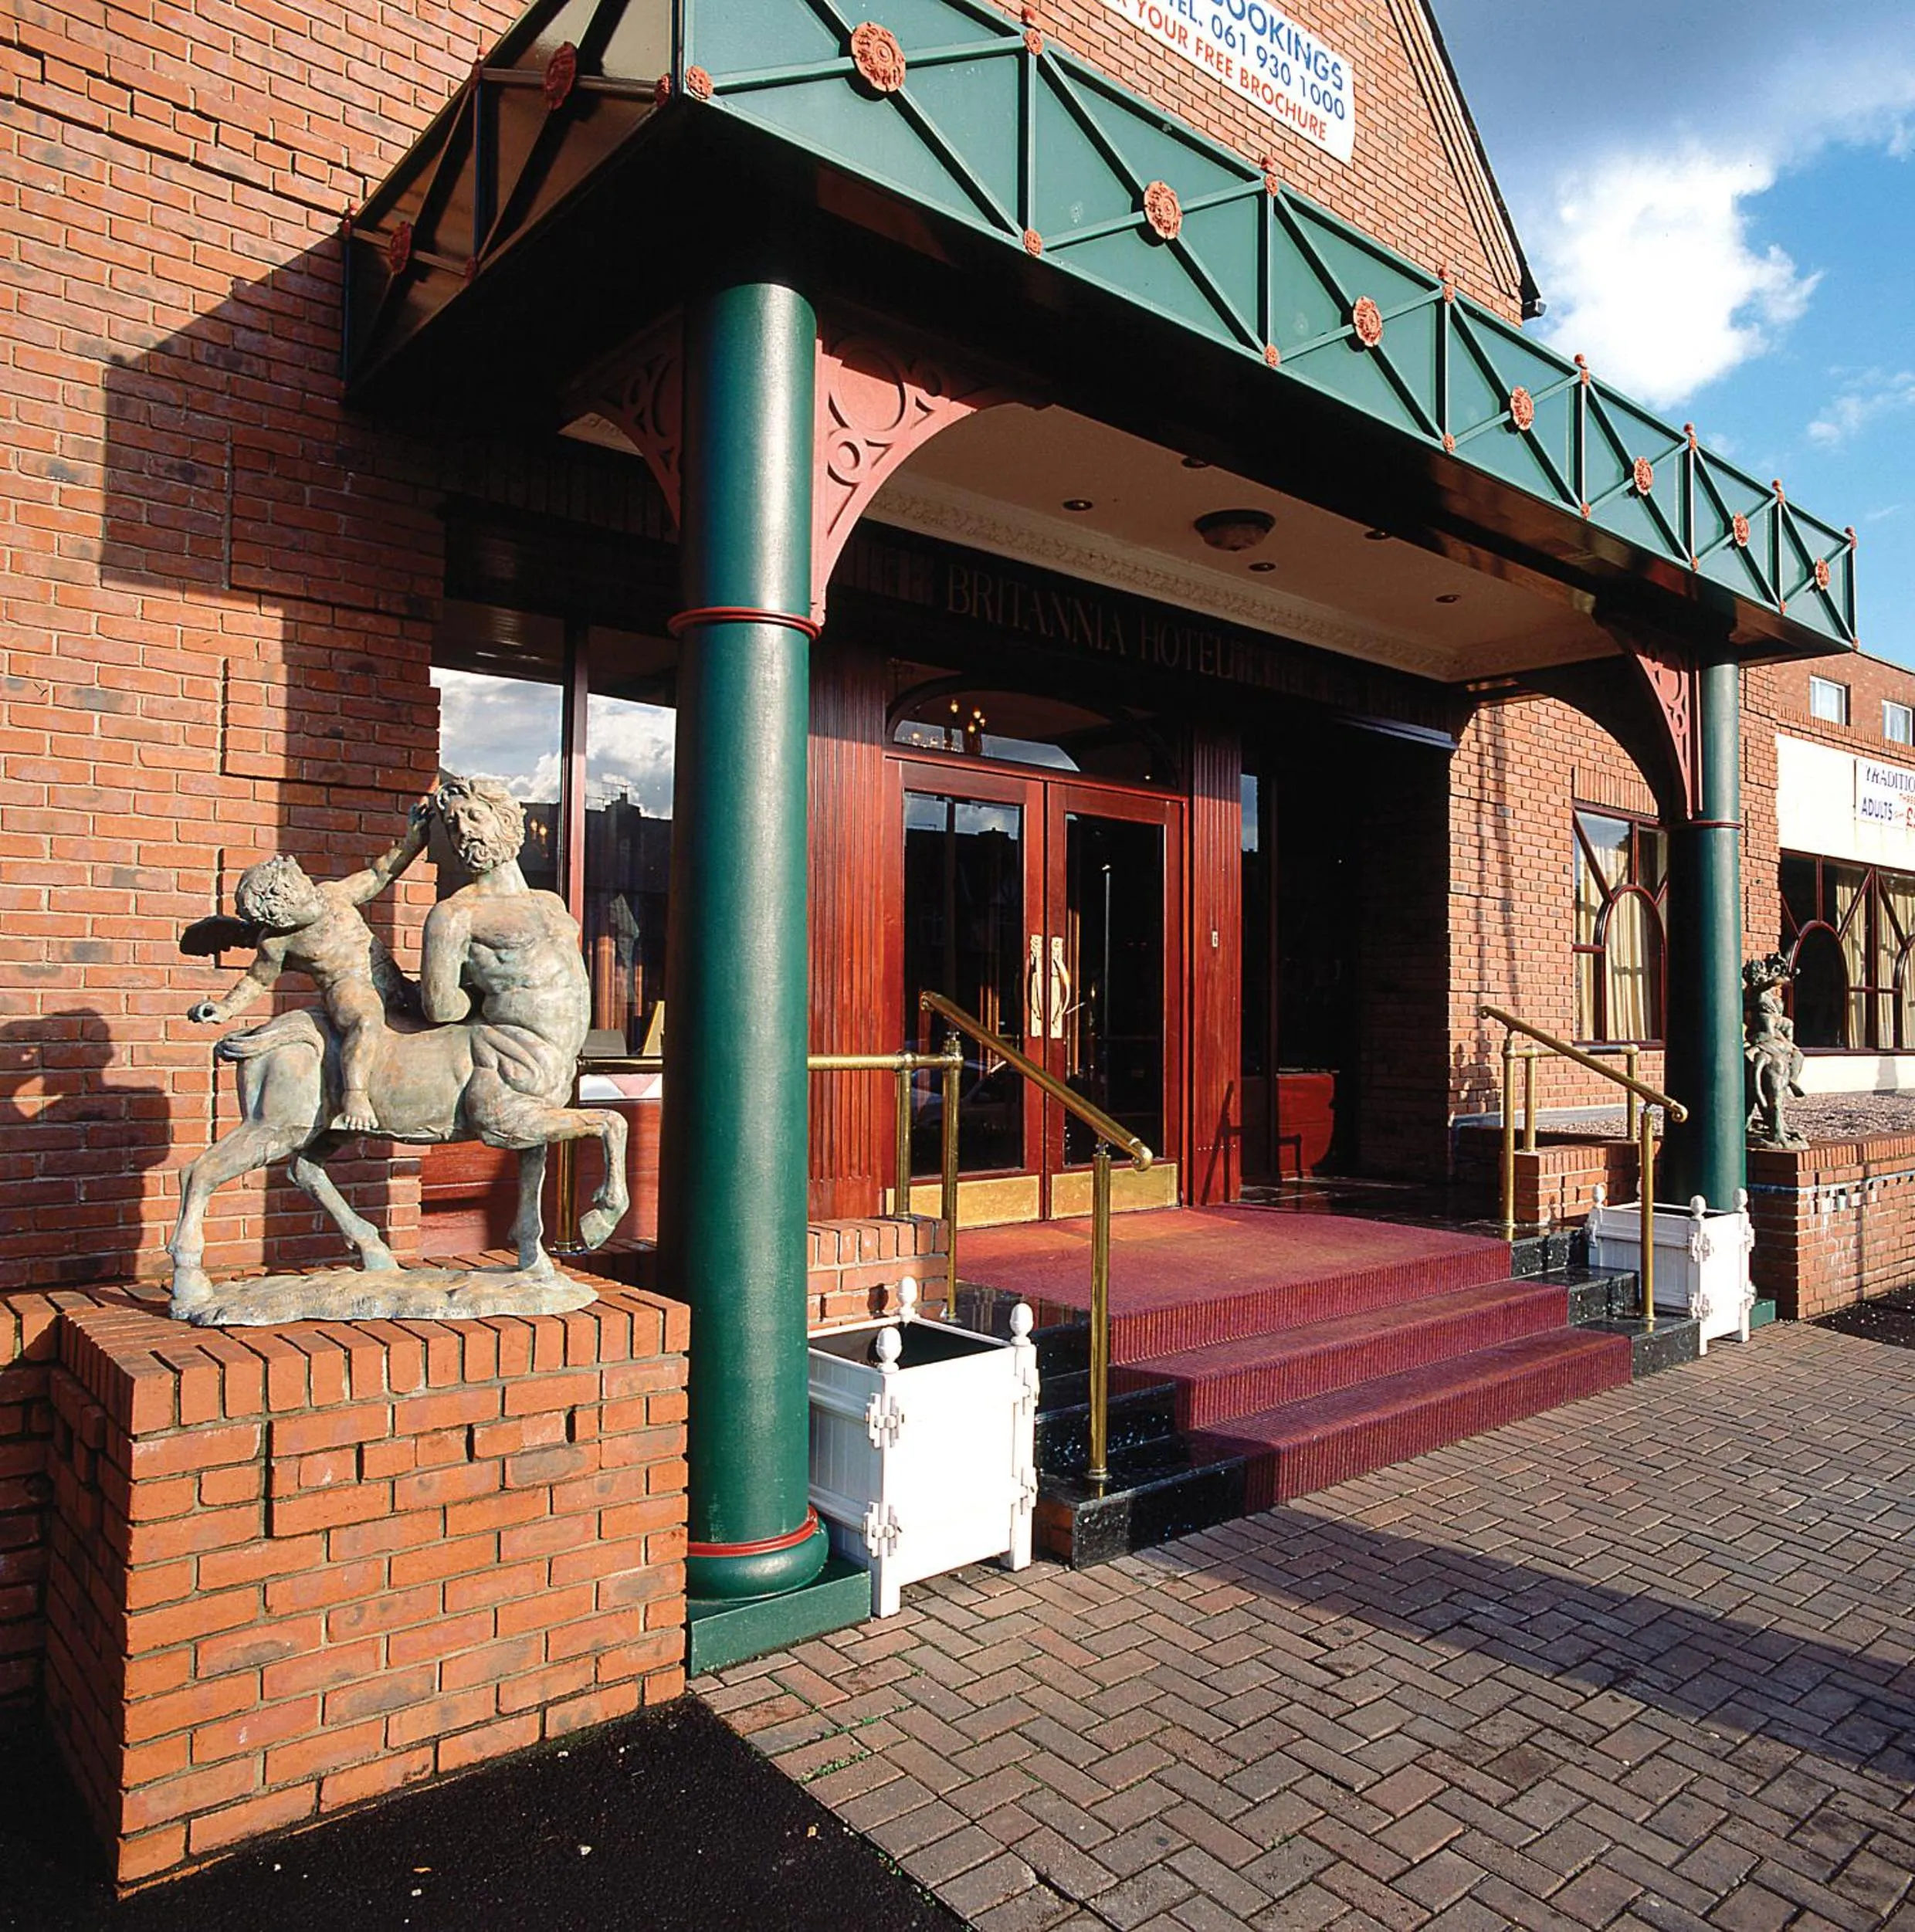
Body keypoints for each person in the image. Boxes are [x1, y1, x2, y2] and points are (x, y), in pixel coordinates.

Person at [188, 802, 431, 1132]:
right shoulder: (278, 942)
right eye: (302, 901)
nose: (313, 899)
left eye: (306, 888)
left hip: (386, 975)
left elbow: (378, 874)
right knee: (365, 1021)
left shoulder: (331, 895)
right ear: (281, 916)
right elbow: (256, 981)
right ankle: (356, 1096)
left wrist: (413, 840)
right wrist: (224, 1008)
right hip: (347, 989)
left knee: (439, 1005)